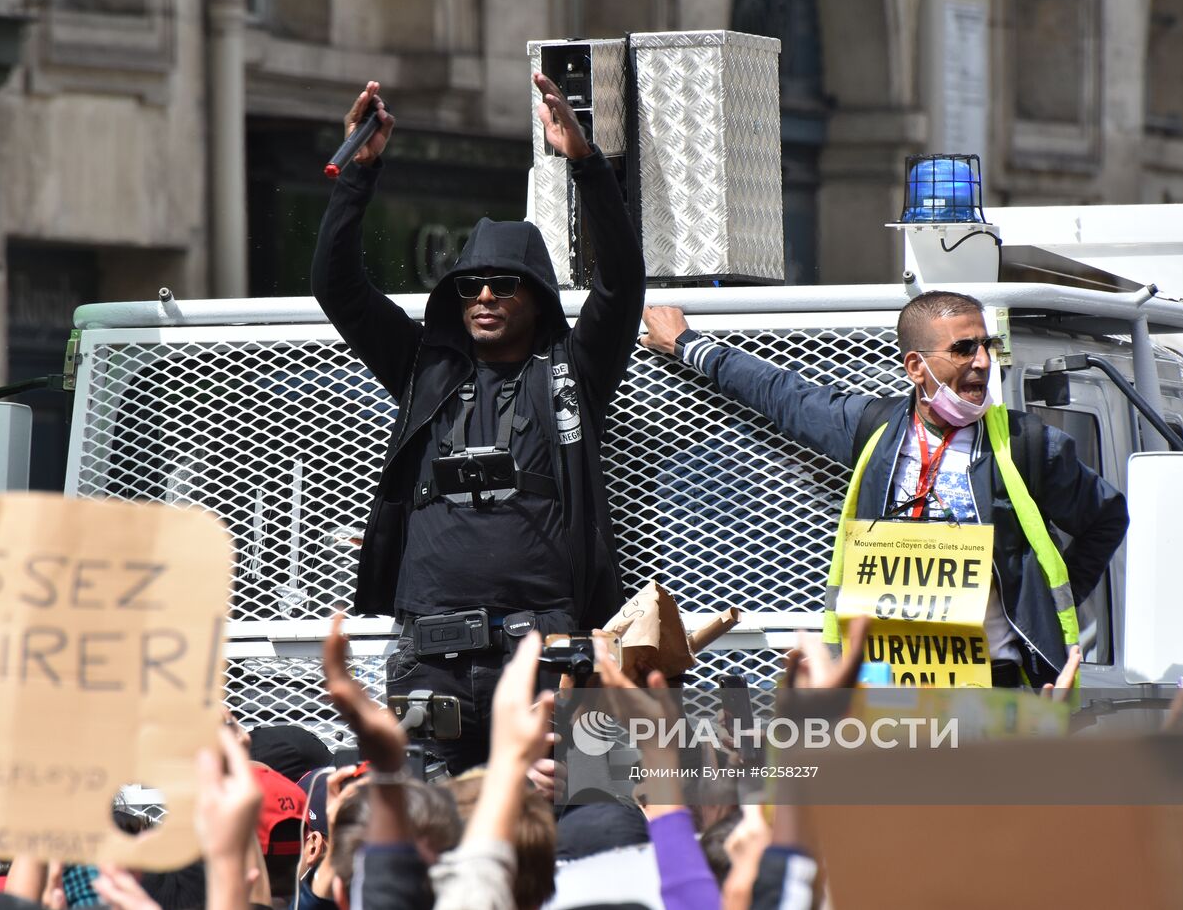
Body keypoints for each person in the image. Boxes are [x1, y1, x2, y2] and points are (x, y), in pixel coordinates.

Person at [311, 75, 646, 771]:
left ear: (538, 297)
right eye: (470, 285)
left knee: (584, 825)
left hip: (549, 655)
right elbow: (336, 288)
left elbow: (622, 284)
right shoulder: (421, 367)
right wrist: (359, 177)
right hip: (427, 659)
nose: (485, 296)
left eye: (503, 284)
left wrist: (583, 161)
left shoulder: (572, 371)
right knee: (422, 835)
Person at [641, 291, 1128, 687]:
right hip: (886, 685)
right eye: (964, 349)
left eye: (988, 346)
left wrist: (1043, 602)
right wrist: (689, 344)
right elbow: (780, 393)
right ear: (916, 366)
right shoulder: (871, 428)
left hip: (993, 684)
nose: (982, 362)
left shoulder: (1028, 443)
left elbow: (1106, 519)